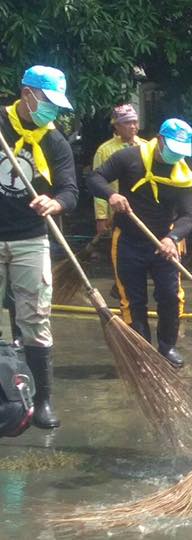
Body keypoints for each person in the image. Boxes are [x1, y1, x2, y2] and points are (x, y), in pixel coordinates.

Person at [0, 65, 78, 429]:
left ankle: (42, 401)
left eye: (55, 105)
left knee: (35, 318)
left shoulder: (54, 140)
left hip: (31, 238)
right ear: (26, 92)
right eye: (46, 101)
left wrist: (55, 203)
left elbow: (70, 190)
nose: (50, 111)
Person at [86, 118, 192, 368]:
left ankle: (167, 346)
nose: (175, 157)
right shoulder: (129, 158)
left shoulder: (185, 177)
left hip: (165, 243)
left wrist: (173, 238)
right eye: (172, 149)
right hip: (128, 240)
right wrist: (111, 194)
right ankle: (142, 348)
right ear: (159, 140)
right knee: (132, 299)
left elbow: (188, 216)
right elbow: (94, 178)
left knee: (170, 296)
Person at [93, 104, 145, 236]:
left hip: (144, 210)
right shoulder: (104, 150)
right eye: (127, 122)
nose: (133, 126)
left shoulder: (146, 147)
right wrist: (101, 216)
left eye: (135, 122)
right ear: (116, 126)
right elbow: (97, 183)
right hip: (116, 212)